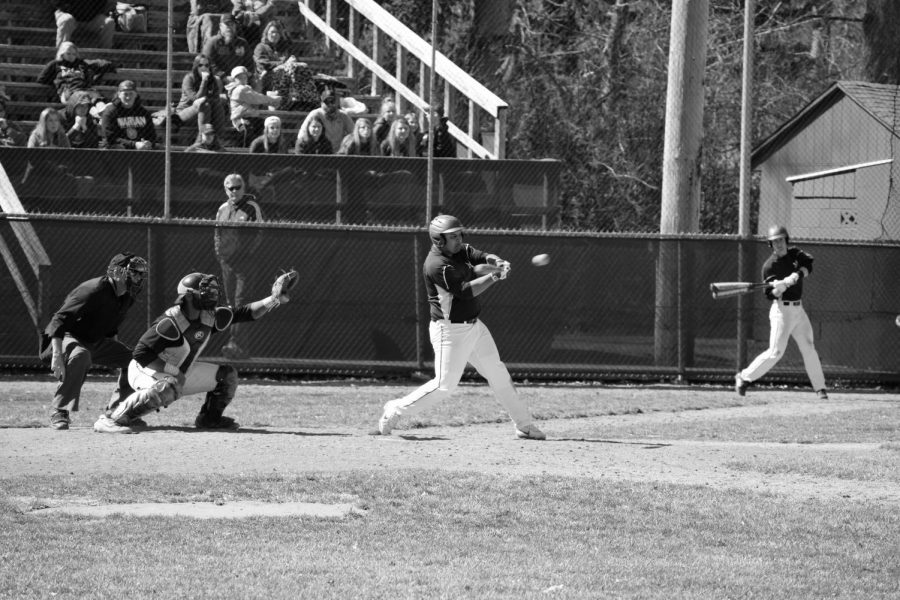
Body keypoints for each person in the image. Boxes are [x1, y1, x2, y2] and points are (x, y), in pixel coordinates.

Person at [377, 214, 546, 440]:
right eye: (452, 236)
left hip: (474, 327)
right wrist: (495, 278)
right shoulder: (437, 264)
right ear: (439, 240)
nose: (458, 239)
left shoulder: (458, 250)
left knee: (498, 373)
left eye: (459, 234)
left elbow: (480, 256)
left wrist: (498, 263)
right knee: (444, 385)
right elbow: (466, 291)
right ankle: (394, 409)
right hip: (451, 331)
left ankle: (524, 425)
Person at [92, 269, 294, 433]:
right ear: (188, 296)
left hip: (177, 373)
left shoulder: (210, 315)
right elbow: (141, 354)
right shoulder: (171, 321)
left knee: (227, 376)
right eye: (204, 291)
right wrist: (174, 372)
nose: (212, 294)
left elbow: (247, 313)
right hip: (146, 370)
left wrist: (274, 299)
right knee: (167, 387)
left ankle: (209, 419)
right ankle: (112, 419)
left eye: (212, 290)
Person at [41, 252, 148, 430]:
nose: (138, 277)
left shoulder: (127, 296)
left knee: (134, 362)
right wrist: (57, 356)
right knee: (81, 355)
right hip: (67, 337)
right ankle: (59, 410)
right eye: (134, 272)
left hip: (95, 341)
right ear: (117, 272)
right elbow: (58, 320)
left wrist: (114, 353)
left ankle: (119, 411)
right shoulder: (93, 290)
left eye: (140, 273)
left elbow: (111, 326)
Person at [735, 225, 828, 399]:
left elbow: (808, 265)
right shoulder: (769, 267)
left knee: (809, 347)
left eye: (780, 240)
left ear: (786, 240)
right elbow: (770, 295)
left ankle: (820, 388)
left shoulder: (795, 254)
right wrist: (780, 287)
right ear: (770, 244)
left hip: (798, 310)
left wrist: (797, 275)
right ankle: (744, 377)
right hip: (782, 312)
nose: (778, 244)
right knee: (775, 352)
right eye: (774, 241)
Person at [215, 173, 264, 359]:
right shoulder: (222, 209)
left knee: (240, 303)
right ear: (225, 189)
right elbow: (217, 234)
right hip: (227, 263)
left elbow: (260, 232)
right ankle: (237, 348)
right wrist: (221, 256)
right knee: (229, 304)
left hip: (246, 264)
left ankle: (236, 345)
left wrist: (247, 254)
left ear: (244, 189)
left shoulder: (252, 207)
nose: (234, 191)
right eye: (230, 187)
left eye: (238, 187)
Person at [253, 21, 318, 111]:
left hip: (287, 74)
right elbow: (262, 64)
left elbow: (293, 59)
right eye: (272, 32)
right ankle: (297, 98)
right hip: (268, 75)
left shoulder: (284, 47)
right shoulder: (261, 47)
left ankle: (309, 101)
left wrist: (293, 60)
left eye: (277, 32)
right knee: (292, 67)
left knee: (303, 65)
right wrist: (283, 64)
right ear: (266, 33)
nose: (275, 35)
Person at [176, 54, 229, 142]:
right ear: (196, 66)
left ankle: (219, 140)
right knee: (204, 104)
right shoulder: (189, 78)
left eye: (206, 65)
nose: (203, 68)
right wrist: (204, 81)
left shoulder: (213, 80)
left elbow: (215, 99)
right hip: (185, 113)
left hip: (205, 114)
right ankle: (201, 141)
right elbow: (196, 99)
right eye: (200, 65)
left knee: (216, 104)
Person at [225, 65, 280, 146]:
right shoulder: (239, 89)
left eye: (245, 77)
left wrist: (271, 101)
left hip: (251, 116)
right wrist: (273, 99)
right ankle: (246, 152)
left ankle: (263, 149)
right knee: (248, 128)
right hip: (240, 117)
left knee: (264, 127)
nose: (243, 80)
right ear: (234, 79)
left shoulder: (246, 88)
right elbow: (257, 98)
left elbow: (256, 97)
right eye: (240, 78)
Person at [100, 80, 157, 150]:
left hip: (140, 148)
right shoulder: (110, 111)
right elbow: (109, 137)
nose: (128, 97)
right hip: (117, 148)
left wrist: (148, 142)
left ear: (136, 95)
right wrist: (134, 144)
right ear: (119, 94)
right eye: (125, 94)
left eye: (131, 94)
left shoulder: (143, 112)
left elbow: (152, 134)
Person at [296, 88, 353, 153]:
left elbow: (354, 133)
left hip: (340, 152)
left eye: (332, 101)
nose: (330, 104)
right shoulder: (315, 114)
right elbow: (302, 134)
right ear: (321, 103)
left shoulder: (343, 115)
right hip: (321, 150)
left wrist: (346, 146)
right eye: (327, 102)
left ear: (336, 102)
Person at [203, 13, 254, 82]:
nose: (229, 27)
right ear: (220, 26)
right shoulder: (212, 42)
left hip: (240, 78)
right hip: (219, 79)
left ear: (235, 26)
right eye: (227, 24)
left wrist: (246, 74)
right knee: (217, 79)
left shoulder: (242, 43)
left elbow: (250, 62)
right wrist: (223, 76)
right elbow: (208, 63)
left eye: (232, 24)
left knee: (256, 80)